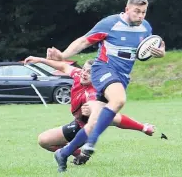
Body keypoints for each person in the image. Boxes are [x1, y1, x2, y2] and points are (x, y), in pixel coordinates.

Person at [46, 0, 166, 171]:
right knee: (118, 100)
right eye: (136, 11)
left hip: (122, 77)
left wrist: (161, 52)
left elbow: (154, 46)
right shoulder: (110, 23)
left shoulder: (145, 28)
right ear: (127, 9)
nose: (140, 16)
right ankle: (91, 143)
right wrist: (63, 56)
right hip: (103, 69)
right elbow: (83, 41)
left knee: (94, 121)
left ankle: (63, 153)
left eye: (143, 12)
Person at [25, 57, 157, 166]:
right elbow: (63, 66)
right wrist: (40, 60)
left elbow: (115, 117)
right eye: (84, 69)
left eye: (89, 72)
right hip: (77, 124)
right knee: (43, 141)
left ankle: (81, 151)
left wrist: (143, 128)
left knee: (109, 118)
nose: (84, 73)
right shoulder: (78, 75)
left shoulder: (95, 93)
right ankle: (78, 153)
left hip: (86, 131)